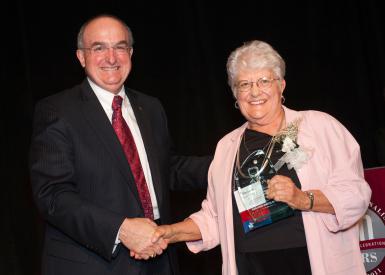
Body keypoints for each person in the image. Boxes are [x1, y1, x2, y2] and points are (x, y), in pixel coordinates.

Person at [152, 40, 372, 275]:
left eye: (264, 81)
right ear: (235, 95)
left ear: (282, 85)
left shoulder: (320, 126)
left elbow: (356, 194)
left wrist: (302, 198)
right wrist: (169, 233)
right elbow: (214, 218)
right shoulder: (227, 147)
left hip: (310, 262)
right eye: (244, 84)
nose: (255, 91)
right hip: (251, 266)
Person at [29, 14, 211, 275]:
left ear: (131, 52)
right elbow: (53, 195)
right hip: (94, 264)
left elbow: (167, 169)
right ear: (81, 56)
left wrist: (229, 162)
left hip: (159, 256)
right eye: (99, 48)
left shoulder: (150, 107)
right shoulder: (57, 111)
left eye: (120, 47)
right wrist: (121, 229)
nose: (111, 58)